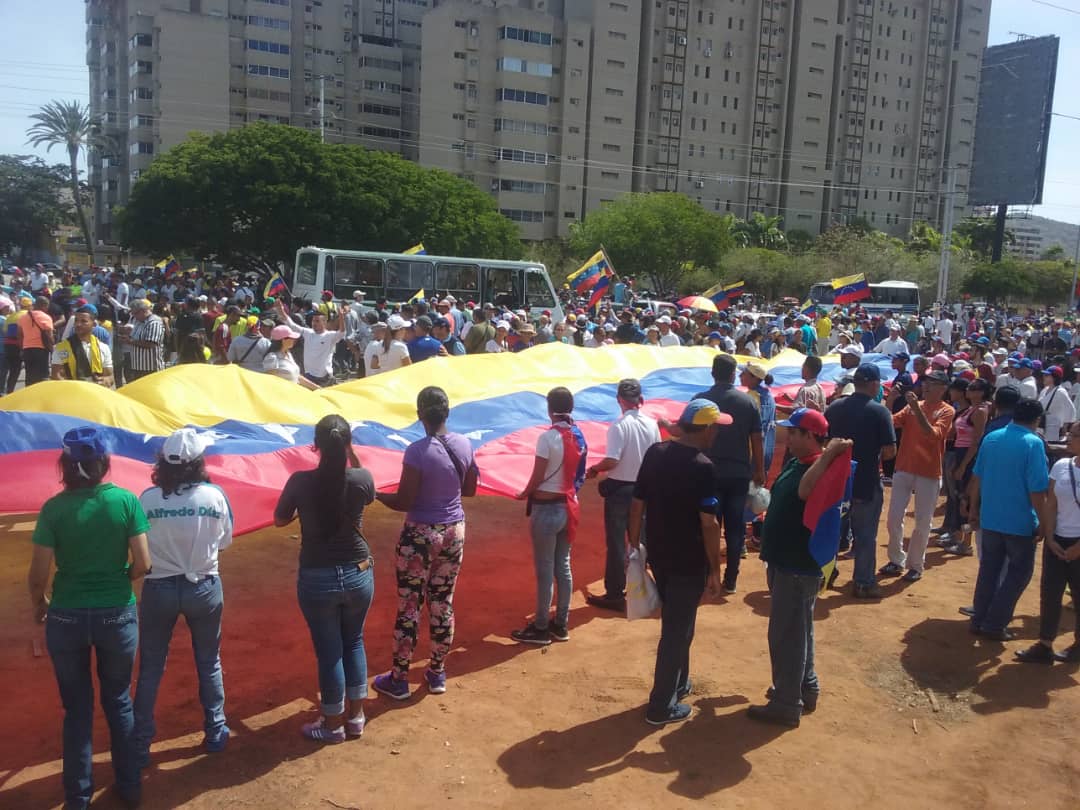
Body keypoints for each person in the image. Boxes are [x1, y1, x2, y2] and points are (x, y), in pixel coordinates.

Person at [27, 428, 152, 809]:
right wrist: (119, 580)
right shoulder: (126, 502)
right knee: (119, 701)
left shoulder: (53, 509)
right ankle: (130, 787)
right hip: (117, 613)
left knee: (77, 709)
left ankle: (78, 796)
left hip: (66, 617)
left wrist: (41, 603)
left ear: (65, 466)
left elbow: (38, 574)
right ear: (103, 464)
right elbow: (144, 563)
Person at [133, 429, 234, 763]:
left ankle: (141, 740)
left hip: (158, 588)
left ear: (163, 462)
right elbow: (224, 542)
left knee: (150, 666)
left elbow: (138, 547)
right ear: (198, 462)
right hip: (204, 587)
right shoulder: (215, 496)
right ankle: (216, 730)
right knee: (209, 661)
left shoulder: (146, 499)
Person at [274, 415, 375, 742]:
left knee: (330, 651)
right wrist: (351, 452)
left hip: (317, 577)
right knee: (354, 641)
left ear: (315, 446)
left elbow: (279, 520)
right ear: (347, 444)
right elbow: (364, 487)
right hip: (358, 573)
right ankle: (356, 718)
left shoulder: (300, 482)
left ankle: (332, 725)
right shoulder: (362, 479)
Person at [372, 387, 479, 699]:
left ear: (420, 415)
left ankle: (399, 677)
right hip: (454, 531)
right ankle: (436, 672)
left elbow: (404, 500)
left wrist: (377, 495)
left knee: (410, 604)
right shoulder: (464, 444)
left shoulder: (417, 451)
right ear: (447, 413)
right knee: (442, 601)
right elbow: (470, 489)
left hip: (420, 534)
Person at [750, 410, 853, 727]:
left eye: (793, 433)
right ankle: (804, 687)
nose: (787, 438)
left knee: (787, 635)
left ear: (810, 436)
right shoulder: (797, 461)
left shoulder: (823, 466)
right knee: (799, 629)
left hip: (798, 563)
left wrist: (831, 452)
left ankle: (786, 703)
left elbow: (806, 491)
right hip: (784, 559)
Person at [629, 399, 727, 725]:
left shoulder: (656, 453)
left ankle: (679, 683)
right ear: (708, 429)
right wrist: (715, 569)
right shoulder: (704, 467)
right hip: (689, 559)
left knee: (679, 621)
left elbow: (637, 503)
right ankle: (660, 706)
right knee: (676, 629)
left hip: (660, 554)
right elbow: (709, 523)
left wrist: (634, 544)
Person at [681, 354, 765, 594]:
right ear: (732, 374)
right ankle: (731, 579)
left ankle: (708, 573)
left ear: (712, 373)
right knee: (735, 526)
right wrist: (759, 469)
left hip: (706, 472)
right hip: (739, 473)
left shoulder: (700, 400)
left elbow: (685, 433)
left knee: (708, 523)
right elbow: (757, 439)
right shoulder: (747, 402)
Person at [967, 399, 1049, 641]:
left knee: (989, 570)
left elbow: (977, 478)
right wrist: (1043, 522)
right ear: (1037, 420)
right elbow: (1037, 490)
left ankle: (979, 618)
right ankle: (994, 622)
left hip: (991, 518)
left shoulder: (992, 437)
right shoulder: (1033, 443)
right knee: (1019, 573)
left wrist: (973, 509)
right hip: (1020, 522)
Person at [510, 387, 588, 645]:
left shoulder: (547, 438)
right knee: (562, 565)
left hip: (547, 509)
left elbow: (537, 475)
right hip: (569, 506)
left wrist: (524, 492)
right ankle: (561, 624)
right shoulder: (579, 435)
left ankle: (541, 626)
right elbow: (579, 475)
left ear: (549, 409)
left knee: (545, 570)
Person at [584, 378, 661, 612]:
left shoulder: (619, 426)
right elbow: (656, 455)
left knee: (617, 543)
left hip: (621, 491)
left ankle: (616, 593)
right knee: (642, 540)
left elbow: (613, 459)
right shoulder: (651, 424)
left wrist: (595, 469)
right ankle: (646, 587)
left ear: (619, 400)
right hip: (645, 489)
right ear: (641, 400)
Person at [825, 364, 897, 598]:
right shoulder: (880, 412)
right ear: (875, 384)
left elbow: (822, 442)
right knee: (865, 535)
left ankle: (824, 575)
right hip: (866, 481)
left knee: (831, 531)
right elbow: (889, 452)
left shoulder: (834, 407)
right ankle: (864, 583)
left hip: (835, 481)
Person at [880, 370, 954, 582]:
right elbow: (891, 422)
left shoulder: (946, 410)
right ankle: (896, 560)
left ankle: (915, 565)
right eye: (926, 383)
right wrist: (890, 400)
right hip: (904, 467)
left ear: (943, 388)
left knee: (923, 522)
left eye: (933, 383)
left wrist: (914, 408)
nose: (927, 386)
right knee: (894, 518)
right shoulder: (915, 405)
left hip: (929, 472)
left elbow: (933, 435)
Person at [1015, 421, 1080, 663]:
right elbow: (1050, 503)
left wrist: (1078, 548)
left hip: (1078, 542)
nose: (1068, 439)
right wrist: (1050, 536)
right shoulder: (1062, 466)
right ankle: (1045, 644)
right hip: (1058, 539)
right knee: (1050, 593)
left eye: (1073, 435)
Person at [940, 378, 991, 556]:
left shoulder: (980, 411)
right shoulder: (970, 409)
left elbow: (976, 441)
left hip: (969, 456)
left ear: (981, 392)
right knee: (958, 495)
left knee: (966, 498)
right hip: (961, 453)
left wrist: (963, 465)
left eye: (973, 388)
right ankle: (958, 534)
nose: (968, 390)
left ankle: (966, 543)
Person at [280, 299, 345, 386]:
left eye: (317, 321)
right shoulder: (308, 332)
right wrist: (280, 310)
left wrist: (341, 316)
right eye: (313, 321)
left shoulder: (330, 336)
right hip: (309, 375)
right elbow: (292, 325)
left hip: (324, 378)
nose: (314, 323)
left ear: (324, 322)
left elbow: (342, 332)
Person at [51, 308, 114, 387]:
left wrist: (106, 381)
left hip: (95, 394)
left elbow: (109, 376)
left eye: (84, 321)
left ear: (94, 324)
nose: (78, 324)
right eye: (76, 321)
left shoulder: (103, 348)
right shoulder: (62, 348)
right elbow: (56, 376)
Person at [121, 299, 165, 382]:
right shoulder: (138, 322)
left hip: (151, 368)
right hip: (137, 367)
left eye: (135, 314)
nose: (134, 316)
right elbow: (134, 337)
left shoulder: (154, 323)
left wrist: (131, 341)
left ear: (142, 311)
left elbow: (151, 344)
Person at [264, 324, 319, 389]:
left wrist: (318, 388)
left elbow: (297, 377)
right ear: (283, 340)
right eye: (291, 338)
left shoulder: (288, 353)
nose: (294, 340)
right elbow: (269, 382)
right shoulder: (272, 357)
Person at [18, 295, 54, 386]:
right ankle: (41, 397)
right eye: (47, 306)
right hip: (41, 350)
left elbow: (19, 335)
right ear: (44, 305)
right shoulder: (46, 317)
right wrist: (52, 350)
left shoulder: (23, 318)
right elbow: (49, 337)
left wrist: (21, 349)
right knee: (43, 376)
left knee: (29, 376)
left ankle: (29, 397)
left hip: (27, 350)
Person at [1038, 366, 1073, 442]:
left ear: (1054, 378)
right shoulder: (1044, 390)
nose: (1044, 377)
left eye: (1047, 375)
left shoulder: (1060, 392)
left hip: (1053, 429)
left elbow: (1070, 410)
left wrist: (1064, 428)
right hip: (1041, 426)